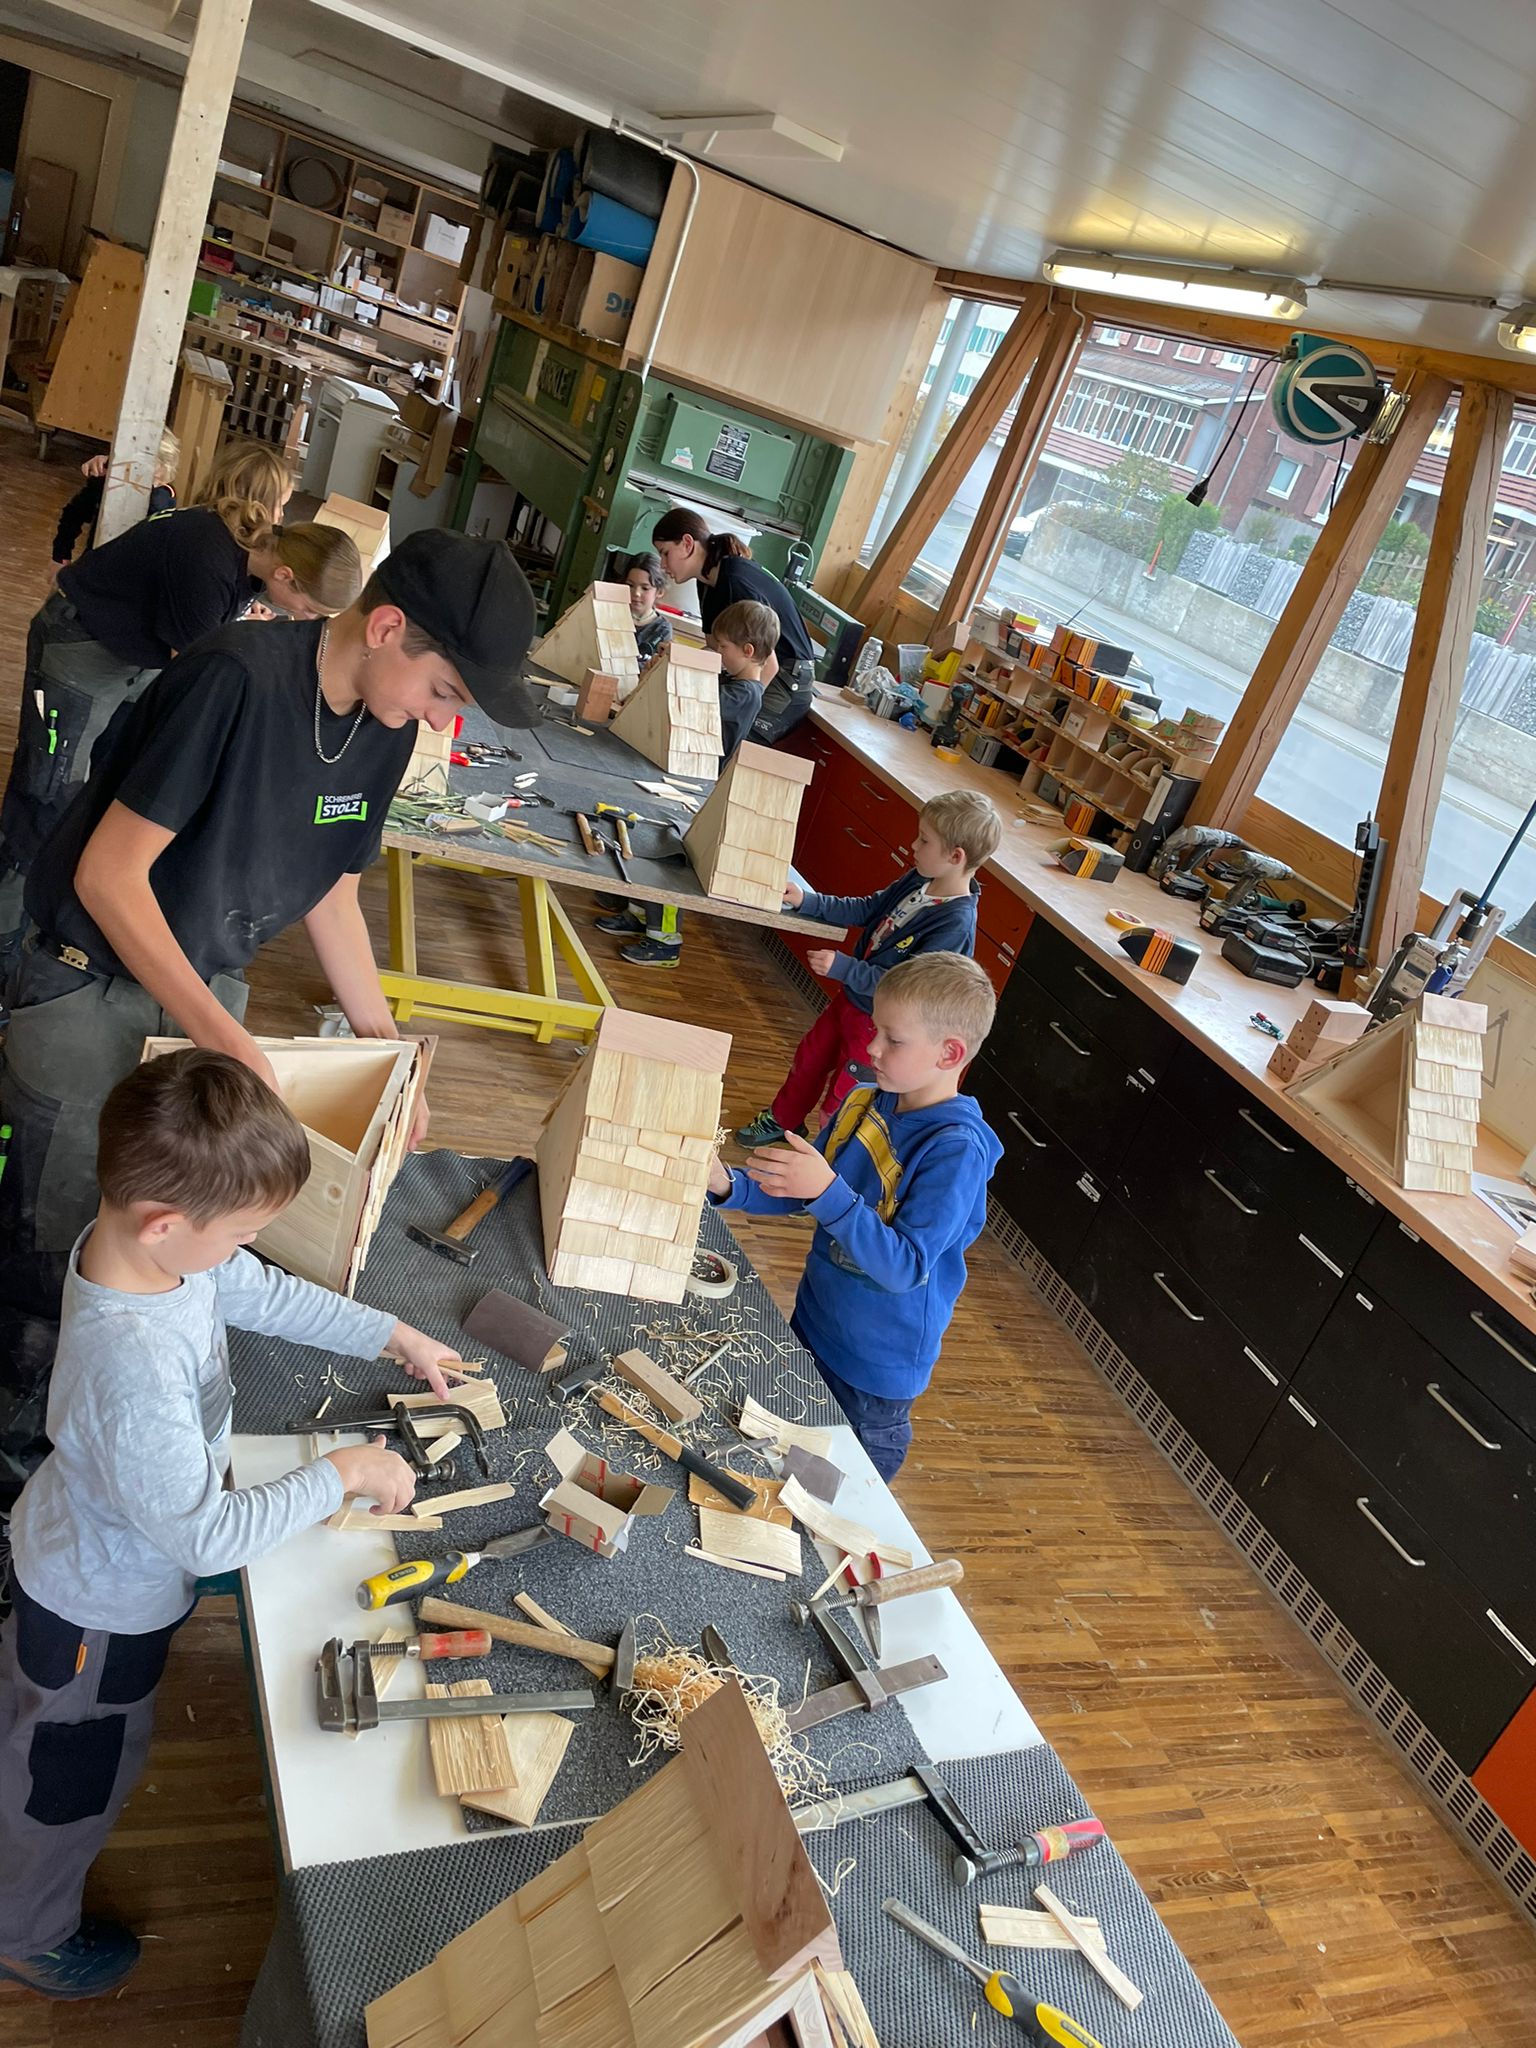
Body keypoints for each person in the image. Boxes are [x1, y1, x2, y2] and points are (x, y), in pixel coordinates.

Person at [0, 526, 540, 1513]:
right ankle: (23, 1497)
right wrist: (227, 1038)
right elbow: (107, 876)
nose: (440, 719)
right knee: (62, 1244)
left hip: (204, 983)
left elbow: (330, 883)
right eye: (444, 692)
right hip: (92, 977)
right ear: (386, 627)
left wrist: (387, 1051)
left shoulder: (382, 726)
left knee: (186, 1235)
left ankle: (138, 1469)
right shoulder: (234, 679)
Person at [0, 1049, 465, 2000]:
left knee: (42, 1727)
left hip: (118, 1547)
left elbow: (257, 1290)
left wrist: (390, 1333)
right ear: (168, 1224)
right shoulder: (130, 1369)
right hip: (98, 1611)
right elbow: (206, 1536)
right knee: (69, 1776)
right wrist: (342, 1471)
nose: (250, 1246)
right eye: (245, 1228)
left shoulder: (156, 1252)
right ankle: (27, 1929)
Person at [0, 445, 345, 952]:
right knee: (45, 800)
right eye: (309, 608)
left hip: (132, 656)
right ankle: (7, 951)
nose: (305, 619)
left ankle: (50, 932)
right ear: (286, 576)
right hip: (82, 647)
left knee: (99, 793)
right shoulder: (207, 556)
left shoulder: (252, 560)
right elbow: (199, 673)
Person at [709, 952, 1002, 1482]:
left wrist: (826, 1191)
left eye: (893, 1039)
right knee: (781, 1464)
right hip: (814, 1323)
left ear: (950, 1052)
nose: (871, 1048)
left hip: (874, 1375)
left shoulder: (956, 1149)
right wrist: (729, 1186)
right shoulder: (866, 1100)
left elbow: (905, 1266)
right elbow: (805, 1191)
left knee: (838, 1495)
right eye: (875, 1030)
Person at [735, 789, 1001, 1148]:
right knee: (810, 1059)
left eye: (924, 840)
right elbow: (868, 908)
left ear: (955, 856)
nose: (913, 845)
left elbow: (911, 989)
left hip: (882, 1025)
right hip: (853, 1002)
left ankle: (829, 1172)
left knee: (845, 1100)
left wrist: (846, 968)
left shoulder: (954, 923)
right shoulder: (921, 877)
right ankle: (784, 1121)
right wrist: (808, 901)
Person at [595, 598, 779, 969]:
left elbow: (698, 702)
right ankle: (638, 913)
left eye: (721, 648)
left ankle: (665, 939)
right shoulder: (732, 681)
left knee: (668, 863)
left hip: (696, 789)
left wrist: (675, 666)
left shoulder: (744, 694)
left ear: (747, 651)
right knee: (648, 848)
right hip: (683, 779)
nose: (715, 653)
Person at [650, 508, 817, 744]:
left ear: (687, 544)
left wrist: (742, 721)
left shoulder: (735, 581)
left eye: (665, 553)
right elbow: (713, 654)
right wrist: (676, 660)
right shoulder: (706, 581)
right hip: (758, 675)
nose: (662, 564)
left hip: (784, 682)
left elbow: (768, 666)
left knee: (724, 742)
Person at [52, 439, 180, 572]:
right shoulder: (106, 482)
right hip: (93, 567)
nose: (148, 485)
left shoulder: (163, 496)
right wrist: (60, 557)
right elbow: (74, 514)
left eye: (155, 480)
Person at [623, 551, 673, 671]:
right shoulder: (612, 615)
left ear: (660, 591)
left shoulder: (662, 629)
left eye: (645, 588)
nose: (636, 593)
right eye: (630, 585)